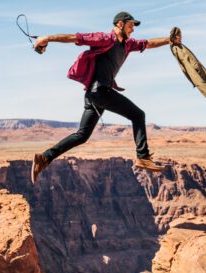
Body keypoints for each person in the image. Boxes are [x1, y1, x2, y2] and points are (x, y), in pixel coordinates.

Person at [31, 11, 181, 183]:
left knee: (81, 135)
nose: (132, 29)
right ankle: (143, 156)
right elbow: (74, 38)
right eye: (130, 25)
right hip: (100, 92)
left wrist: (170, 41)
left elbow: (148, 43)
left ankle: (44, 158)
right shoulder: (104, 39)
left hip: (93, 95)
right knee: (138, 115)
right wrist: (47, 38)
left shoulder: (127, 44)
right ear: (120, 24)